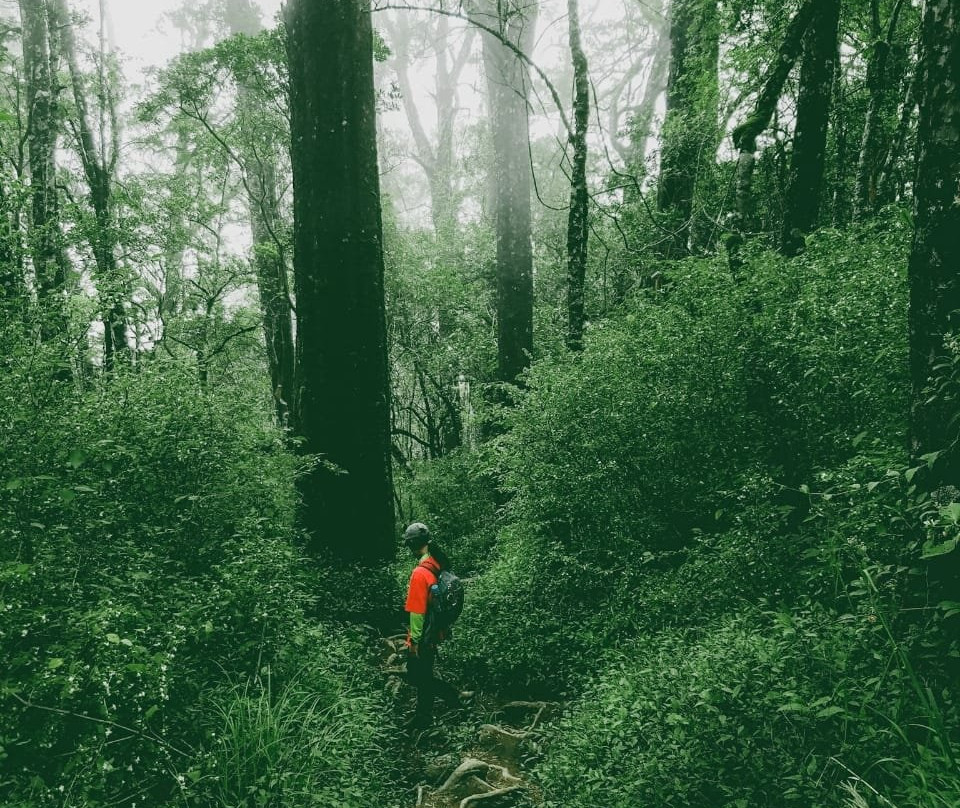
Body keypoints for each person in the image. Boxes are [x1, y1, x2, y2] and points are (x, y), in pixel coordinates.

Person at [402, 522, 460, 729]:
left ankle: (454, 698)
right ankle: (423, 715)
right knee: (424, 673)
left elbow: (417, 612)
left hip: (424, 634)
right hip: (436, 630)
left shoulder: (420, 572)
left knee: (416, 674)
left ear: (411, 545)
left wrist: (414, 642)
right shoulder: (437, 564)